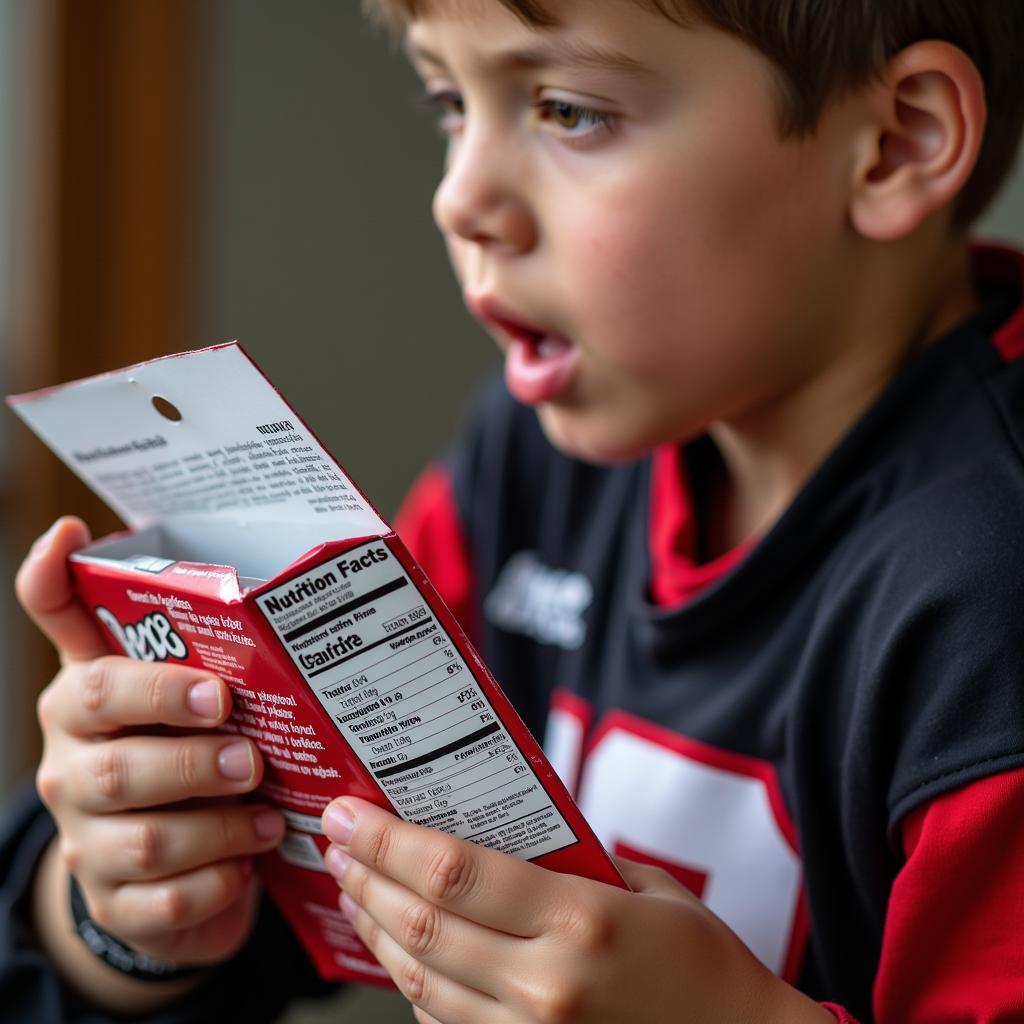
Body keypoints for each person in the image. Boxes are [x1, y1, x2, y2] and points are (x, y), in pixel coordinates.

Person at [4, 0, 1024, 1020]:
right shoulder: (529, 462)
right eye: (450, 100)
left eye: (569, 110)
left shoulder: (988, 583)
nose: (460, 199)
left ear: (897, 142)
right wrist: (128, 904)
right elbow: (286, 908)